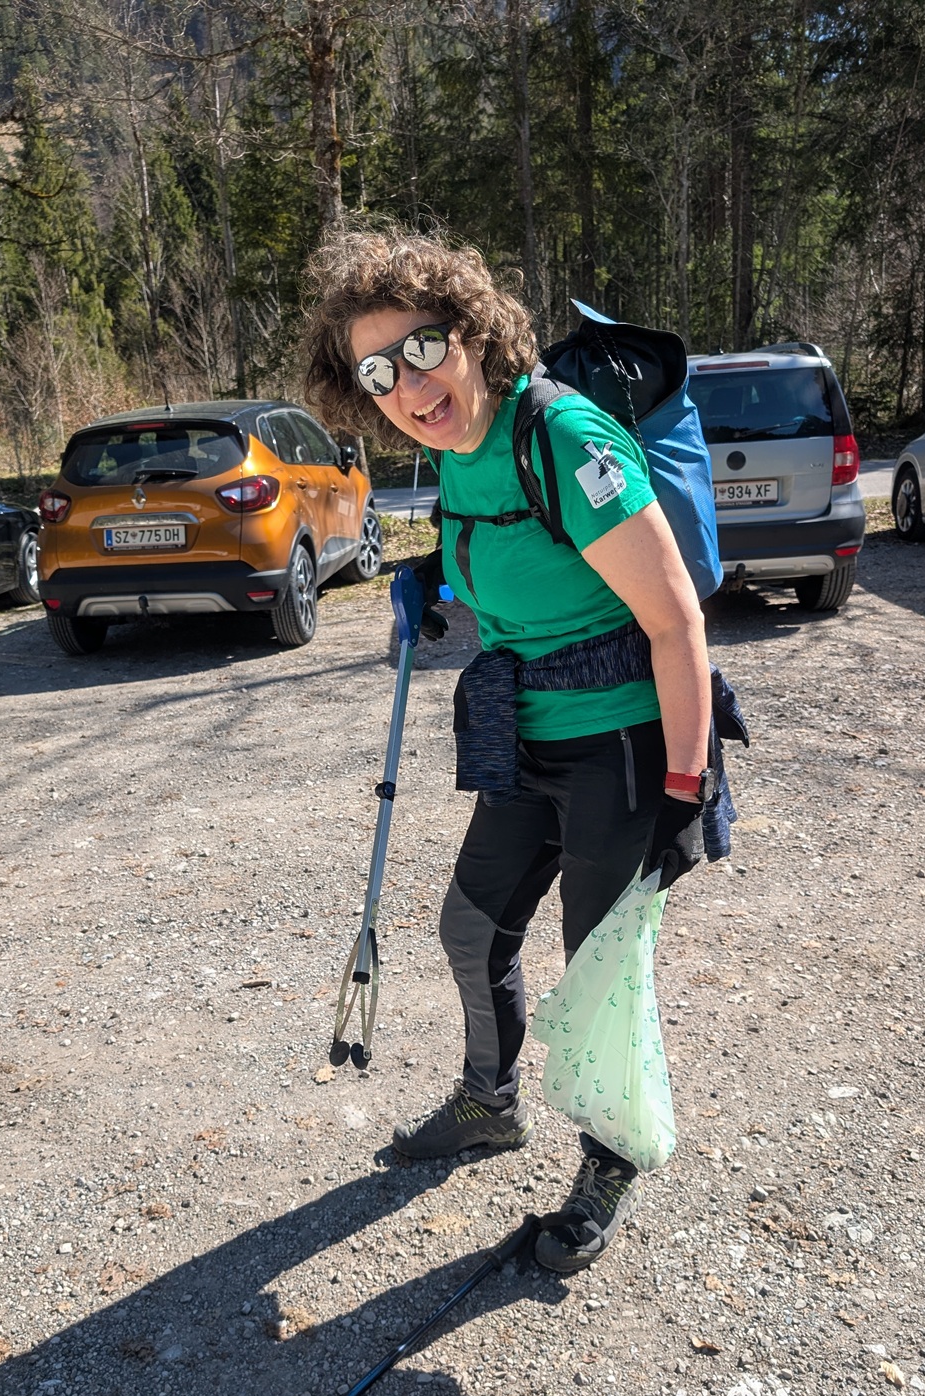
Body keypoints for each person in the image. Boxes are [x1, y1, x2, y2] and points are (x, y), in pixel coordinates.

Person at [302, 229, 712, 1275]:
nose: (408, 383)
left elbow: (675, 621)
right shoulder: (456, 454)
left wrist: (685, 784)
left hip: (621, 745)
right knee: (470, 924)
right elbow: (511, 547)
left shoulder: (567, 439)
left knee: (603, 974)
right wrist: (436, 572)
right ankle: (490, 1106)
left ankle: (610, 1166)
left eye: (423, 348)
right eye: (378, 371)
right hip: (525, 741)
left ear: (473, 331)